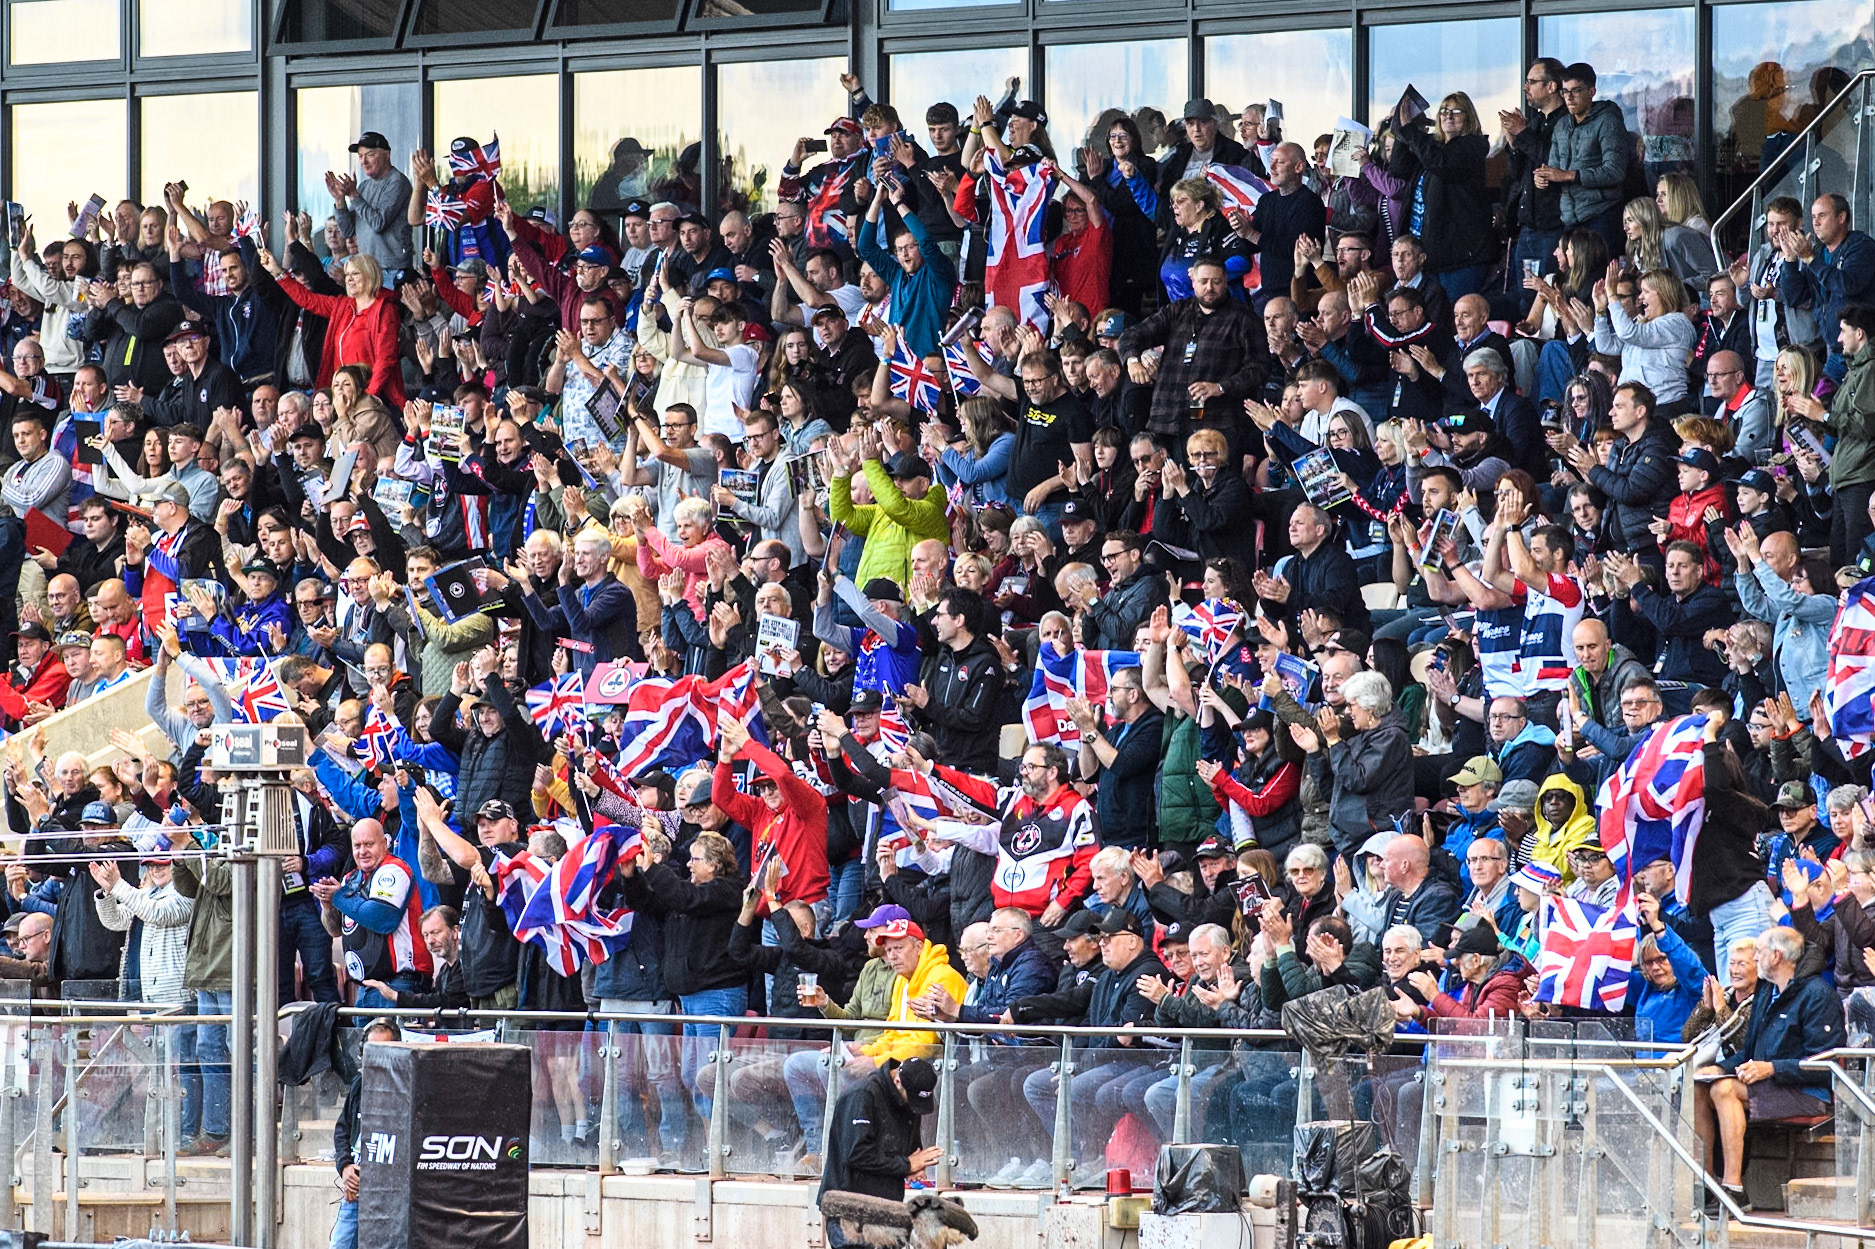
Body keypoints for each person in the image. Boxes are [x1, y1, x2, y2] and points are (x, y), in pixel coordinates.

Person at [1695, 926, 1845, 1213]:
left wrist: (1773, 1068)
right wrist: (1719, 1067)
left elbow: (1825, 1065)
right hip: (1770, 1083)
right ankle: (1707, 1183)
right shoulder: (1765, 991)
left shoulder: (1818, 995)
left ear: (1776, 956)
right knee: (1700, 1084)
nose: (1754, 958)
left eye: (1758, 953)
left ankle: (1734, 1188)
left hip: (1807, 1091)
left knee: (1724, 1089)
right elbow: (1750, 1050)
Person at [330, 1017, 399, 1249]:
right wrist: (346, 1166)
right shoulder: (360, 1082)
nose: (376, 1058)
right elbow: (342, 1129)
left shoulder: (408, 1086)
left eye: (383, 1050)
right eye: (371, 1051)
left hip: (391, 1194)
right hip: (356, 1186)